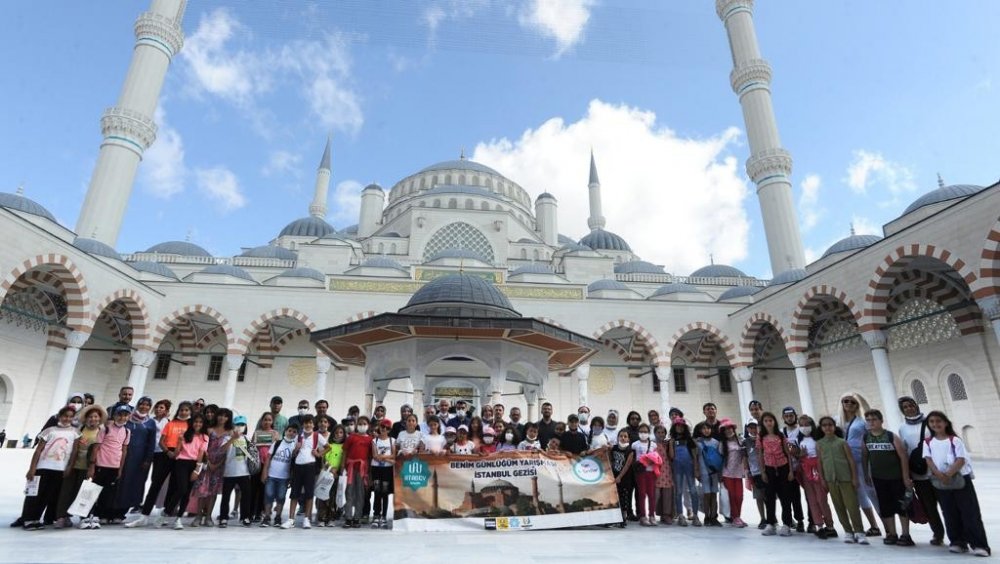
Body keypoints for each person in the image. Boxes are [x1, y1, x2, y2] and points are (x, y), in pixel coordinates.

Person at [922, 410, 990, 557]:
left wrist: (948, 474)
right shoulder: (928, 442)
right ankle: (957, 542)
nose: (935, 424)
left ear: (946, 423)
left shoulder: (955, 440)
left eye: (938, 421)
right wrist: (939, 475)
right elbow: (928, 459)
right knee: (949, 512)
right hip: (941, 481)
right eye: (932, 422)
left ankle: (979, 544)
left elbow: (961, 459)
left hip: (960, 480)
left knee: (969, 512)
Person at [129, 400, 190, 527]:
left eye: (186, 410)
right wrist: (168, 451)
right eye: (182, 410)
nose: (184, 412)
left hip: (181, 457)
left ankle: (165, 515)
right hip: (165, 454)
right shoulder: (171, 423)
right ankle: (144, 515)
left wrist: (178, 453)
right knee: (156, 484)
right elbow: (162, 441)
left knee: (174, 486)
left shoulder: (191, 425)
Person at [861, 408, 914, 546]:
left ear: (881, 421)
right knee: (886, 507)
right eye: (868, 420)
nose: (871, 422)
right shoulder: (866, 437)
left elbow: (903, 456)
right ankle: (892, 533)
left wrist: (905, 476)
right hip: (879, 478)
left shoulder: (891, 436)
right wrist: (866, 474)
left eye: (874, 419)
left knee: (902, 506)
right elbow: (865, 456)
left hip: (896, 478)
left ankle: (905, 534)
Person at [897, 395, 945, 546]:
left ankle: (958, 537)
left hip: (938, 471)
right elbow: (904, 451)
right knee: (929, 507)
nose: (909, 408)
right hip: (919, 474)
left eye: (911, 405)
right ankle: (938, 534)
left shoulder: (929, 423)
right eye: (905, 407)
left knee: (947, 505)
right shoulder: (902, 428)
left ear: (916, 406)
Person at [22, 406, 79, 530]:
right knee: (36, 495)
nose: (67, 419)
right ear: (59, 416)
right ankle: (29, 519)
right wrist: (32, 468)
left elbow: (74, 452)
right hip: (43, 467)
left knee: (49, 495)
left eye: (70, 416)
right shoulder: (49, 430)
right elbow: (38, 451)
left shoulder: (75, 432)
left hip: (60, 469)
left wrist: (69, 467)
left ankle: (38, 519)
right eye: (65, 416)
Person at [816, 416, 868, 545]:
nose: (827, 427)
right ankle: (848, 531)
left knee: (852, 506)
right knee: (839, 506)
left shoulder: (842, 442)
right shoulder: (820, 444)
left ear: (834, 426)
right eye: (824, 425)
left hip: (845, 478)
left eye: (830, 425)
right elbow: (820, 462)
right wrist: (822, 479)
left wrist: (854, 477)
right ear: (821, 428)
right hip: (831, 479)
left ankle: (859, 531)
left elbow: (850, 460)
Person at [56, 404, 105, 528]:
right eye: (90, 416)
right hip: (74, 464)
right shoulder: (79, 429)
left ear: (99, 419)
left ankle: (85, 517)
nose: (93, 419)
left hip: (89, 467)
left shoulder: (102, 432)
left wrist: (93, 467)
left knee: (85, 493)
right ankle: (62, 516)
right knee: (66, 492)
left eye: (95, 417)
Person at [839, 393, 882, 537]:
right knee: (859, 494)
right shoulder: (837, 422)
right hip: (845, 462)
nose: (848, 404)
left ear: (857, 405)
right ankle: (873, 526)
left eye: (852, 402)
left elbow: (871, 437)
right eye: (845, 401)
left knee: (871, 491)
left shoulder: (861, 422)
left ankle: (887, 524)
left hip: (861, 461)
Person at [86, 405, 132, 529]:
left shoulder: (127, 431)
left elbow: (124, 450)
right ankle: (91, 515)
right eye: (120, 414)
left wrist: (120, 468)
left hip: (114, 466)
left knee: (109, 492)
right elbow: (96, 447)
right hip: (101, 465)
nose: (122, 418)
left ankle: (103, 515)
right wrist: (92, 465)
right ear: (115, 415)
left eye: (125, 415)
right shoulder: (105, 429)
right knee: (96, 491)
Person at [114, 396, 156, 520]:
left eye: (147, 405)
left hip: (138, 459)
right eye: (142, 404)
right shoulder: (127, 418)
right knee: (118, 482)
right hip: (121, 455)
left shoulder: (150, 422)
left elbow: (151, 443)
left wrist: (147, 459)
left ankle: (121, 513)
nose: (144, 407)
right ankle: (110, 510)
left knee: (131, 484)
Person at [165, 414, 208, 530]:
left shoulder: (204, 437)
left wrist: (197, 470)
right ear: (191, 423)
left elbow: (201, 454)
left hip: (194, 465)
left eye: (200, 422)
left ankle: (178, 519)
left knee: (187, 493)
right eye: (195, 422)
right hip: (181, 463)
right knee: (182, 489)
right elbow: (177, 453)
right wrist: (178, 443)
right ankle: (167, 511)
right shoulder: (184, 435)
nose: (197, 424)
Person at [796, 415, 836, 539]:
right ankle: (819, 525)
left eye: (806, 424)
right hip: (805, 470)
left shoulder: (818, 439)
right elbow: (798, 455)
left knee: (821, 499)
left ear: (812, 425)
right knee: (812, 500)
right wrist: (800, 455)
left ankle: (830, 526)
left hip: (818, 469)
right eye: (801, 425)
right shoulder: (799, 440)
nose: (804, 427)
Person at [190, 407, 230, 527]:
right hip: (206, 463)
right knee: (202, 490)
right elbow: (204, 447)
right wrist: (208, 462)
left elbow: (228, 451)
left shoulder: (230, 432)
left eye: (225, 416)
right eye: (220, 415)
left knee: (213, 492)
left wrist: (218, 464)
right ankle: (198, 516)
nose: (222, 418)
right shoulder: (208, 430)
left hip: (220, 466)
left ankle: (208, 516)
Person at [757, 412, 794, 537]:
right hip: (769, 469)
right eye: (766, 420)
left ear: (774, 421)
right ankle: (771, 523)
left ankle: (787, 524)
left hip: (783, 467)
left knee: (785, 496)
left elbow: (788, 453)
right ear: (763, 423)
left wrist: (790, 471)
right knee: (770, 496)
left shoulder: (780, 435)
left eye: (770, 420)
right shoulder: (761, 437)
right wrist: (762, 472)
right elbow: (760, 455)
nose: (768, 423)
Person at [283, 415, 322, 529]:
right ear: (303, 424)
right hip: (298, 467)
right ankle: (291, 519)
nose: (308, 425)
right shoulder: (298, 436)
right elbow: (293, 454)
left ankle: (307, 519)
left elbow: (327, 447)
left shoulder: (316, 436)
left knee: (309, 493)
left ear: (313, 424)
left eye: (310, 423)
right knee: (295, 493)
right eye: (306, 423)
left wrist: (319, 454)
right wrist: (297, 448)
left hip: (310, 467)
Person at [260, 422, 298, 528]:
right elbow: (268, 458)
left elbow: (294, 463)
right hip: (271, 475)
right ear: (285, 431)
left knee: (281, 497)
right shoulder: (277, 443)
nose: (291, 433)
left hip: (284, 478)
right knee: (268, 496)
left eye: (294, 432)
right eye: (289, 431)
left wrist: (291, 477)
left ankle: (278, 517)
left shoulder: (295, 446)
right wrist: (264, 472)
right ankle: (267, 517)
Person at [219, 416, 252, 527]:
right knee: (226, 496)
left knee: (246, 496)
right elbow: (222, 449)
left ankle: (245, 517)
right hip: (229, 472)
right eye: (237, 424)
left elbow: (250, 454)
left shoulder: (247, 439)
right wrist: (233, 439)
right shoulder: (226, 438)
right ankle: (223, 517)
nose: (240, 427)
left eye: (242, 425)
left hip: (244, 472)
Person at [342, 415, 372, 528]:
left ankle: (357, 518)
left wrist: (368, 472)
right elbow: (345, 452)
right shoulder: (351, 437)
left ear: (368, 426)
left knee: (360, 494)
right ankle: (348, 518)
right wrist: (342, 467)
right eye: (360, 424)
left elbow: (370, 457)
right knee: (349, 492)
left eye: (364, 424)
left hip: (362, 470)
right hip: (350, 468)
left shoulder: (370, 439)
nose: (362, 426)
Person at [781, 406, 807, 532]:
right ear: (783, 418)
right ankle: (798, 519)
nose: (789, 418)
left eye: (791, 415)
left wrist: (797, 453)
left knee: (809, 495)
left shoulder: (801, 430)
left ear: (795, 416)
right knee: (793, 496)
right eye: (786, 416)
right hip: (789, 469)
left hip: (803, 467)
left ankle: (812, 521)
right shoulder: (782, 432)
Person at [671, 417, 700, 527]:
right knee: (678, 491)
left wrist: (696, 468)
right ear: (674, 427)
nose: (679, 427)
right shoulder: (672, 440)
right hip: (677, 467)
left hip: (689, 467)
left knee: (693, 490)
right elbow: (671, 456)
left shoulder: (689, 439)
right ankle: (680, 515)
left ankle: (696, 515)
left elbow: (694, 455)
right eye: (677, 425)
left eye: (682, 426)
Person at [720, 419, 747, 528]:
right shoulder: (722, 444)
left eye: (730, 428)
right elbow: (720, 459)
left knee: (739, 496)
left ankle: (738, 516)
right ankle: (735, 517)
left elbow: (745, 455)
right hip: (727, 473)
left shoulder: (740, 441)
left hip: (738, 473)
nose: (728, 431)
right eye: (725, 429)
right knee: (731, 496)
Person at [695, 421, 723, 526]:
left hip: (714, 472)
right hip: (704, 472)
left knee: (714, 494)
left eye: (708, 428)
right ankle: (706, 517)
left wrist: (720, 473)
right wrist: (696, 471)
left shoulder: (716, 442)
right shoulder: (698, 443)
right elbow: (696, 458)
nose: (706, 430)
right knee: (706, 494)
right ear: (700, 430)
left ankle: (713, 516)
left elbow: (719, 458)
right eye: (704, 428)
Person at [631, 422, 657, 526]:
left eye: (645, 432)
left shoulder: (653, 444)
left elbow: (657, 458)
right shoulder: (635, 444)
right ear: (638, 432)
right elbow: (633, 458)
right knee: (641, 494)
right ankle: (643, 516)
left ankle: (652, 515)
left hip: (651, 472)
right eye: (641, 431)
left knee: (651, 495)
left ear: (649, 433)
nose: (643, 433)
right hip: (640, 472)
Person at [319, 424, 346, 526]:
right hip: (327, 473)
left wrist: (338, 471)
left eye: (341, 432)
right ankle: (322, 518)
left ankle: (331, 518)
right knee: (323, 495)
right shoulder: (329, 445)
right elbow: (324, 459)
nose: (338, 435)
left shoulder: (344, 447)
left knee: (334, 497)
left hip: (338, 474)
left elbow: (344, 460)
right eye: (336, 432)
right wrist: (330, 469)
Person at [370, 419, 394, 528]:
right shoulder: (375, 440)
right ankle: (376, 515)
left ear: (389, 430)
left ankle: (384, 516)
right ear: (379, 427)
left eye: (387, 428)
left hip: (387, 469)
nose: (384, 429)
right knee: (377, 491)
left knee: (385, 492)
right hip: (376, 468)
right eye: (383, 427)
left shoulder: (392, 440)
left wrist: (383, 457)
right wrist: (385, 458)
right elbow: (374, 455)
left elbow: (393, 455)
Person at [743, 418, 767, 528]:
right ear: (748, 428)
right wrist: (747, 471)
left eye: (755, 427)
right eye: (751, 427)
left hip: (766, 471)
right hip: (755, 472)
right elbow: (745, 457)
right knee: (759, 497)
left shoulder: (764, 439)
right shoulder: (745, 442)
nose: (753, 429)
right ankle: (762, 518)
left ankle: (771, 517)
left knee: (768, 495)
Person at [610, 429, 634, 528]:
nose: (623, 438)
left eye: (625, 436)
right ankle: (615, 517)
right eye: (621, 436)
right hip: (614, 476)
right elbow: (610, 460)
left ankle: (623, 517)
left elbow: (627, 465)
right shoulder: (614, 448)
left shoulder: (630, 450)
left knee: (624, 497)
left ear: (628, 439)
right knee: (616, 497)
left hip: (625, 477)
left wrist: (620, 476)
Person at [652, 424, 673, 525]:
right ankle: (651, 514)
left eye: (663, 432)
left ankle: (666, 515)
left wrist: (671, 444)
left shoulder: (667, 444)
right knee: (656, 494)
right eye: (658, 432)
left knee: (667, 494)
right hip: (656, 471)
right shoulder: (652, 444)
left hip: (667, 471)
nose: (661, 434)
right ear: (655, 433)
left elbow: (671, 456)